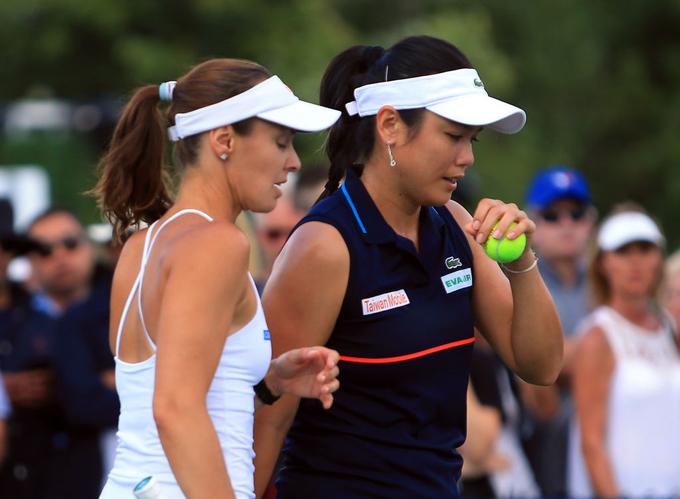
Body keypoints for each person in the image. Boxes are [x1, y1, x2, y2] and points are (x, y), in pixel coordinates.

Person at [253, 35, 564, 498]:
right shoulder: (324, 245)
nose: (468, 158)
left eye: (471, 140)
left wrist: (522, 262)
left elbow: (540, 365)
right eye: (453, 136)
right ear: (391, 126)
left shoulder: (456, 223)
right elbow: (268, 417)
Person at [93, 58, 342, 499]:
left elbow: (164, 395)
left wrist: (267, 385)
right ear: (223, 139)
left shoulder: (141, 246)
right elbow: (173, 408)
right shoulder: (219, 243)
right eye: (281, 142)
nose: (293, 162)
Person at [570, 205, 680, 497]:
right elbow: (591, 444)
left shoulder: (669, 329)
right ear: (603, 263)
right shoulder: (598, 335)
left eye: (644, 249)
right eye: (622, 251)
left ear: (659, 258)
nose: (635, 262)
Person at [520, 165, 596, 496]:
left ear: (590, 221)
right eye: (552, 215)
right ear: (532, 222)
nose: (567, 224)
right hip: (539, 436)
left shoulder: (607, 279)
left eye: (576, 214)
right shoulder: (519, 280)